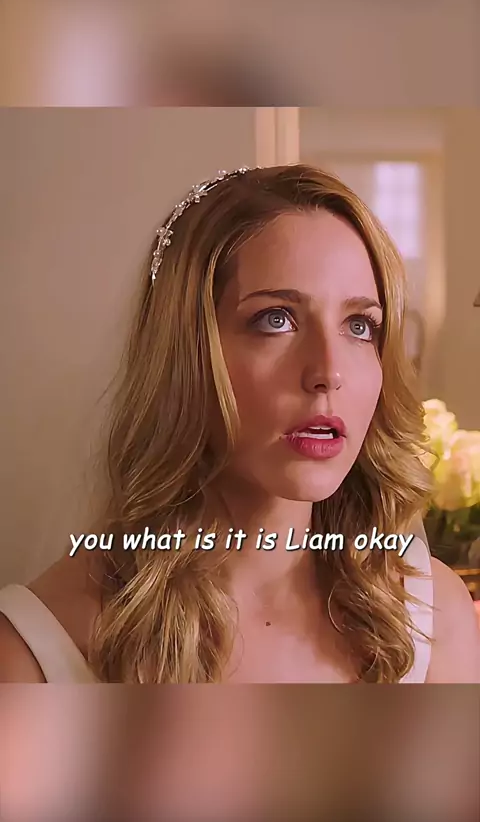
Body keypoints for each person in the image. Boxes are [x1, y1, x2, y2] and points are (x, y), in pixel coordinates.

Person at [0, 164, 478, 683]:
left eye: (359, 325)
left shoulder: (433, 616)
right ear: (187, 354)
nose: (328, 372)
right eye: (276, 319)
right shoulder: (40, 647)